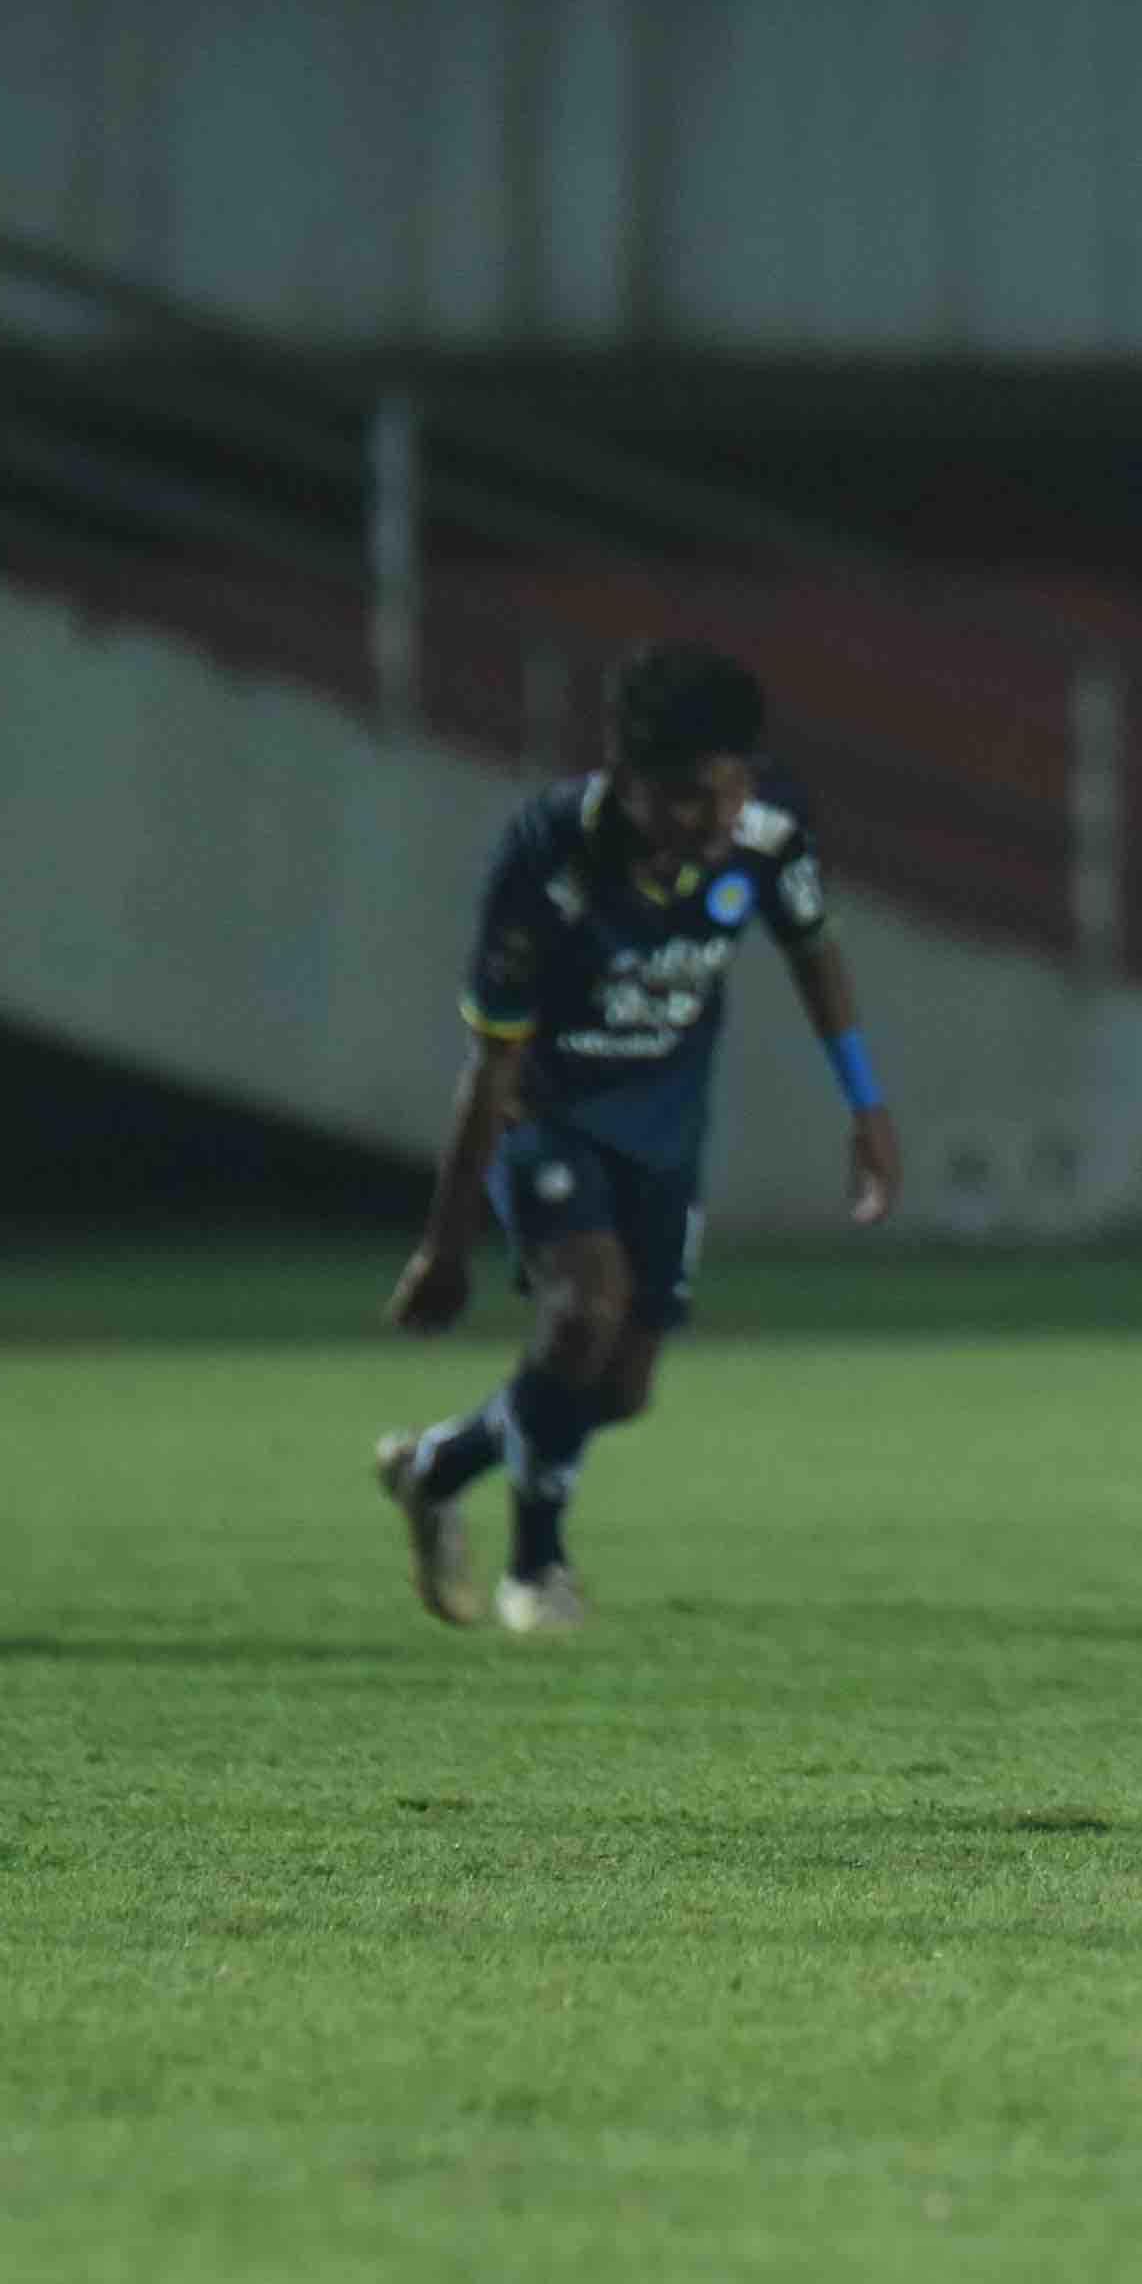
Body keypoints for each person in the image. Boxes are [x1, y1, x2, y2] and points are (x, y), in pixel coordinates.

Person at [371, 642, 901, 1633]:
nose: (698, 823)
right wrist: (443, 1247)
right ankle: (538, 1566)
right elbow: (488, 1062)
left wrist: (865, 1106)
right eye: (674, 801)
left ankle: (438, 1466)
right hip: (549, 1115)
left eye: (717, 795)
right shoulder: (545, 855)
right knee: (582, 1311)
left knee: (618, 1386)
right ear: (624, 777)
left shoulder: (770, 834)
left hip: (666, 1129)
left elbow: (812, 952)